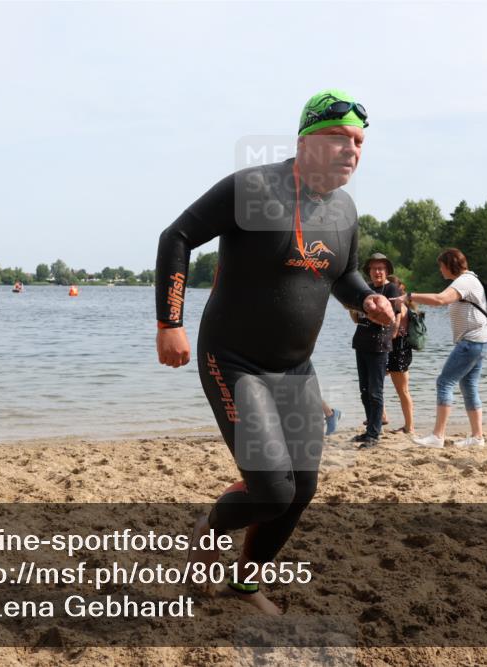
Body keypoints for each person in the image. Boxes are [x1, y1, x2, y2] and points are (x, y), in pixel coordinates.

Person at [155, 89, 394, 613]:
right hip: (234, 360)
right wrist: (169, 323)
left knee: (301, 489)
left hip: (294, 368)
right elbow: (177, 236)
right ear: (306, 140)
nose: (352, 149)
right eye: (340, 138)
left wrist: (368, 297)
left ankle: (245, 583)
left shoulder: (345, 211)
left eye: (359, 141)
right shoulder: (255, 187)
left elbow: (345, 275)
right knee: (271, 492)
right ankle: (211, 529)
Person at [403, 248, 487, 448]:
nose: (440, 271)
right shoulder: (470, 279)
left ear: (450, 265)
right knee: (468, 386)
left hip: (472, 342)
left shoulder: (464, 281)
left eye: (441, 266)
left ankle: (438, 435)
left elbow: (440, 300)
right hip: (481, 340)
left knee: (444, 382)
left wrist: (409, 296)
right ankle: (477, 438)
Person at [350, 253, 402, 448]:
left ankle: (374, 434)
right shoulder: (367, 289)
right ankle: (370, 429)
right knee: (364, 390)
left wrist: (389, 340)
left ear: (387, 271)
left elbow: (395, 319)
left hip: (379, 345)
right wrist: (353, 308)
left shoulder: (391, 288)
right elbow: (355, 317)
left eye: (381, 268)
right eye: (373, 269)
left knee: (375, 391)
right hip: (361, 342)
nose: (377, 272)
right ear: (369, 272)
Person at [386, 274, 415, 434]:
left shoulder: (399, 308)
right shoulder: (403, 306)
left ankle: (409, 427)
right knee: (373, 383)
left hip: (398, 349)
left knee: (403, 390)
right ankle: (383, 416)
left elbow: (395, 332)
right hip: (400, 349)